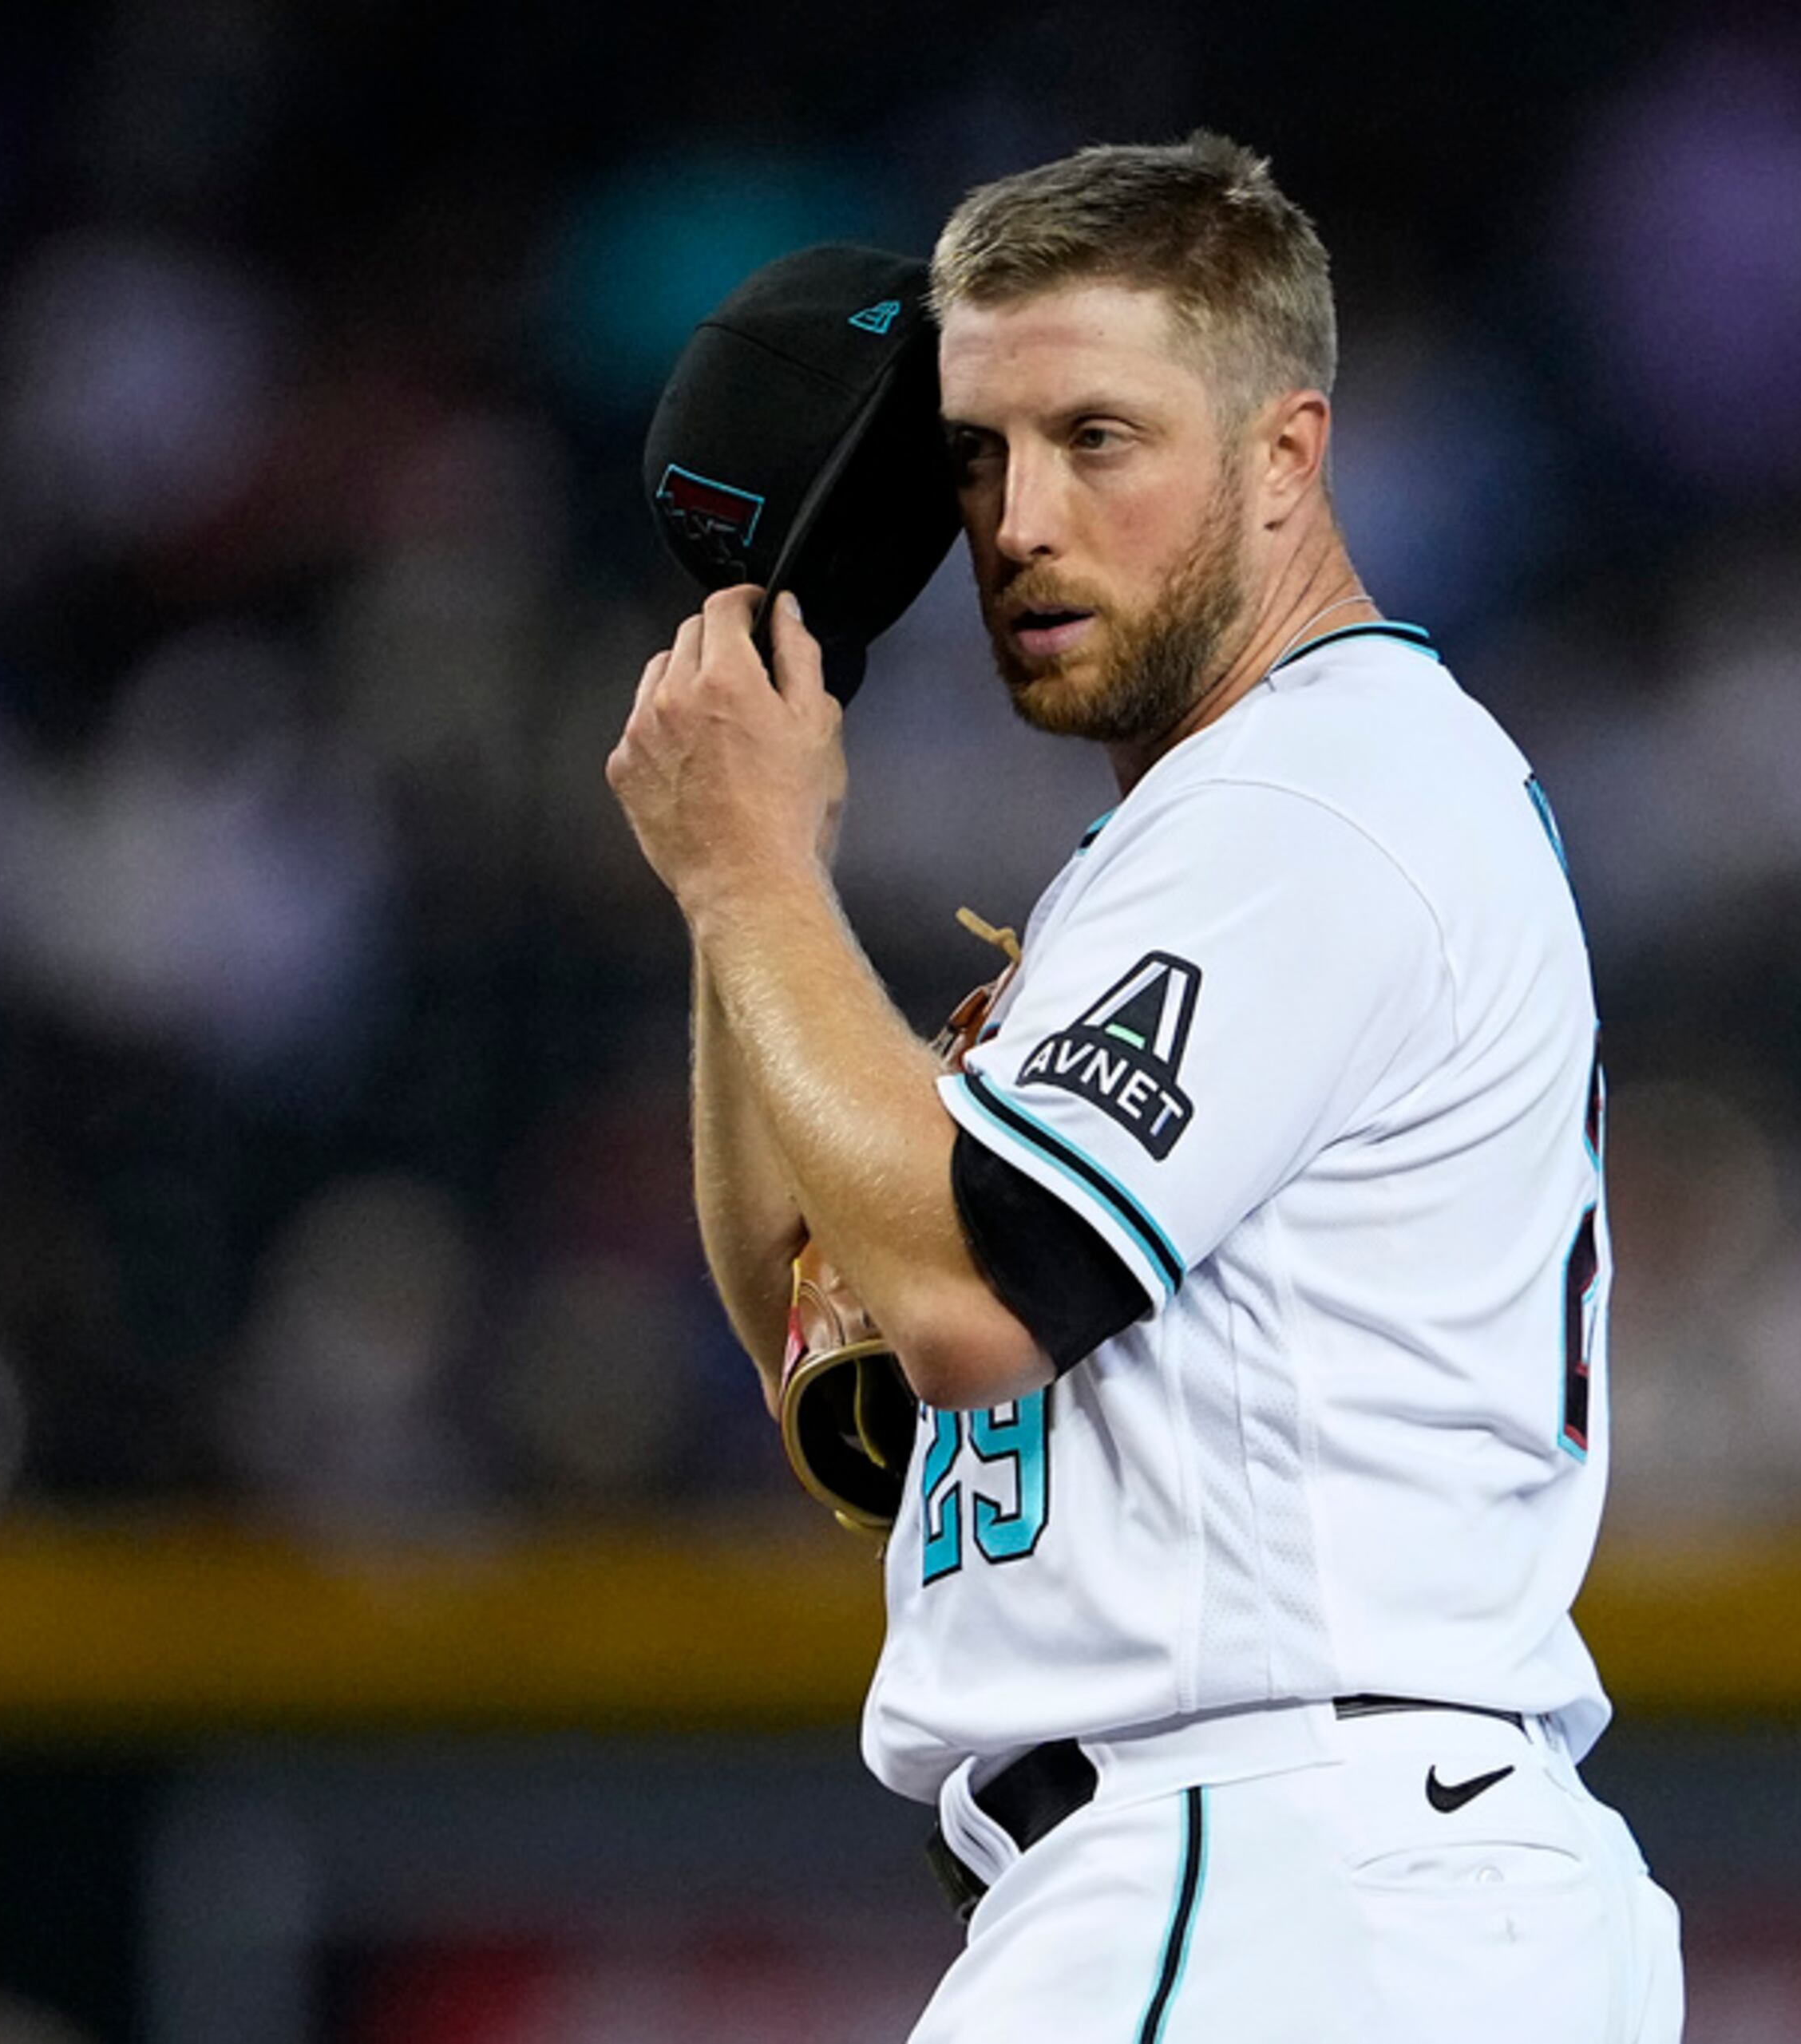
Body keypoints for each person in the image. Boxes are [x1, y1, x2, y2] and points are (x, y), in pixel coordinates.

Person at [605, 134, 1683, 2042]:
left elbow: (961, 1300)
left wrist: (755, 875)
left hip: (1276, 1870)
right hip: (1289, 1882)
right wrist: (751, 826)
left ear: (1288, 454)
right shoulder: (1213, 831)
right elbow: (817, 1318)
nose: (1018, 519)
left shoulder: (1309, 797)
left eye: (1099, 438)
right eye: (974, 453)